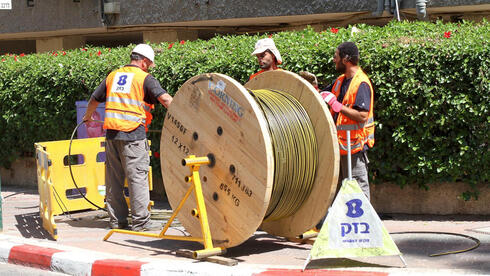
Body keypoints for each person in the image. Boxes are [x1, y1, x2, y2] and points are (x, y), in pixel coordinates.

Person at [82, 44, 173, 231]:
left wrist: (87, 116)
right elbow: (165, 99)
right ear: (145, 62)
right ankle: (141, 223)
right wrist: (183, 115)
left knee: (114, 180)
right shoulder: (144, 78)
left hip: (112, 135)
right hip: (133, 135)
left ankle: (117, 222)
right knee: (137, 178)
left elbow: (94, 100)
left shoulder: (113, 76)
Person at [320, 41, 374, 201]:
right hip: (341, 146)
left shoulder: (361, 83)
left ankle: (364, 224)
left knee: (358, 190)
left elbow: (362, 116)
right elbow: (324, 94)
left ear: (346, 59)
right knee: (339, 191)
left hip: (355, 147)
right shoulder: (340, 81)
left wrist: (337, 106)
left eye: (336, 56)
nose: (333, 59)